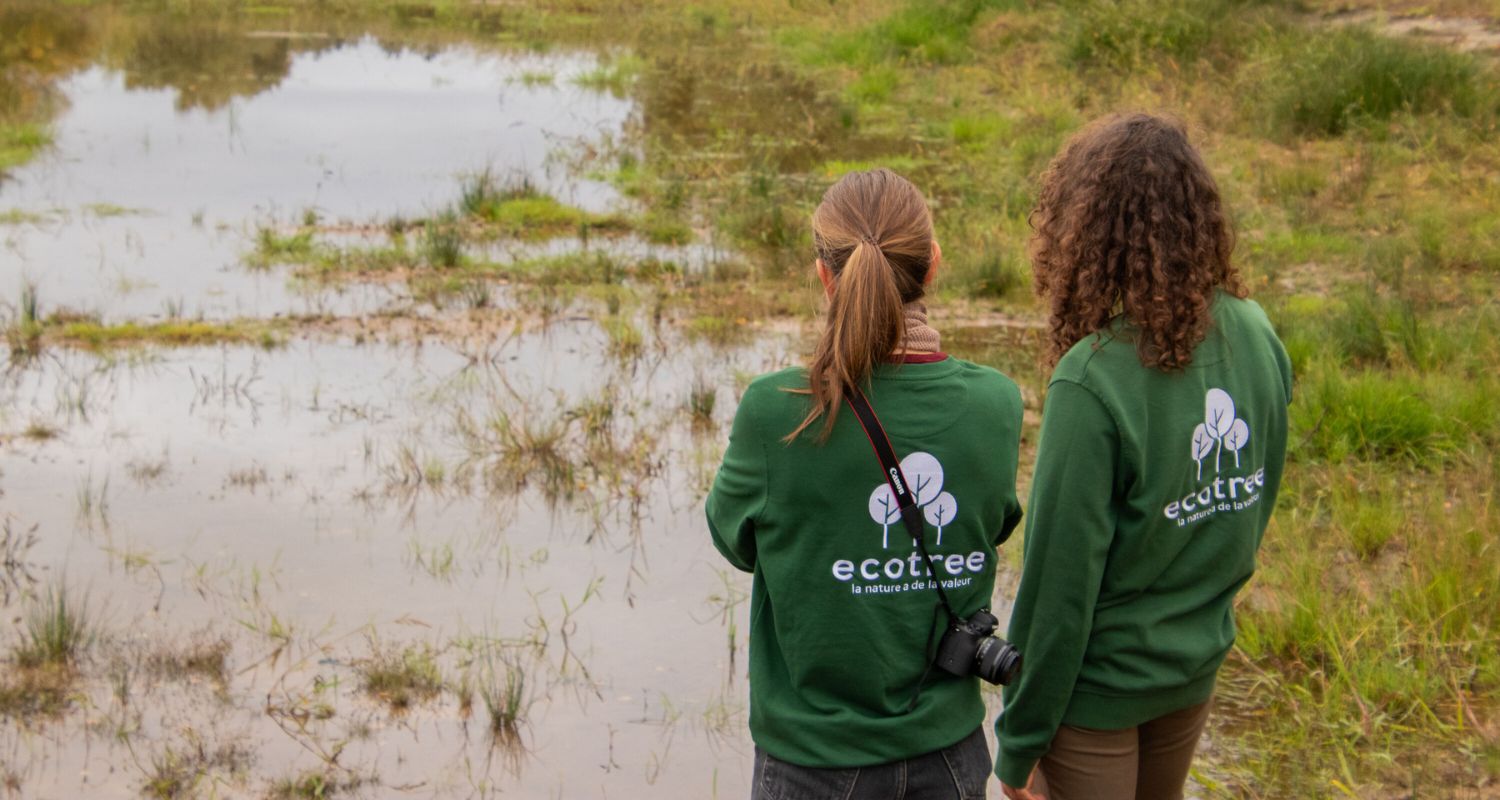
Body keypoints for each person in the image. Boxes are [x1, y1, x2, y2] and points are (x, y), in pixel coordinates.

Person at [994, 113, 1293, 800]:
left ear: (1083, 230)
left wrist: (1019, 746)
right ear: (1199, 217)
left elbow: (1056, 592)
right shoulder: (1255, 333)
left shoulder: (1090, 381)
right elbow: (1255, 500)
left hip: (1095, 700)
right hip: (1193, 672)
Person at [708, 168, 1025, 800]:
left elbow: (735, 541)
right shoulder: (996, 402)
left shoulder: (778, 411)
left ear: (825, 277)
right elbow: (995, 524)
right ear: (933, 266)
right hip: (950, 755)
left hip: (813, 761)